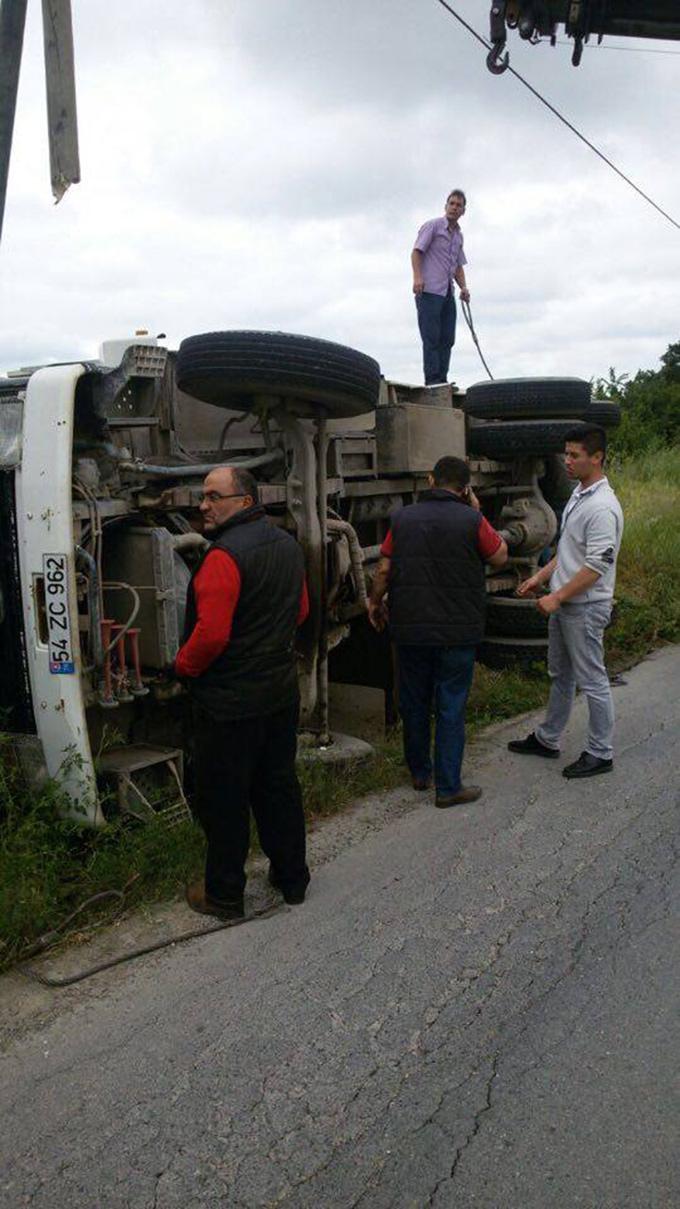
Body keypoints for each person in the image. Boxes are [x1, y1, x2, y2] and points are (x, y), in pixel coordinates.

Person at [174, 465, 311, 919]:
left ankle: (225, 896)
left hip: (230, 704)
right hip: (279, 693)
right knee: (278, 787)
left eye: (214, 497)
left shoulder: (223, 557)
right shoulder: (288, 546)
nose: (203, 505)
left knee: (225, 799)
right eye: (203, 497)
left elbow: (211, 635)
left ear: (245, 503)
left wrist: (182, 667)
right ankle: (292, 879)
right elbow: (302, 609)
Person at [368, 456, 507, 808]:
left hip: (410, 628)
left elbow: (384, 569)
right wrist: (477, 510)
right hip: (458, 631)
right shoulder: (472, 519)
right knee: (450, 705)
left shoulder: (401, 519)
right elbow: (500, 557)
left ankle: (420, 772)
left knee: (413, 701)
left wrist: (375, 602)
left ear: (431, 480)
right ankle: (448, 787)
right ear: (465, 488)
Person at [508, 425, 624, 778]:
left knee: (592, 680)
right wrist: (539, 578)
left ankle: (601, 753)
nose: (567, 461)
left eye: (574, 455)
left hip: (585, 606)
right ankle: (548, 739)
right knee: (561, 674)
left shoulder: (603, 507)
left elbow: (596, 566)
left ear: (597, 457)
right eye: (566, 454)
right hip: (567, 603)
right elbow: (569, 551)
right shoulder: (579, 494)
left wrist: (557, 597)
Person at [411, 189, 470, 386]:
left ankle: (442, 380)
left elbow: (458, 265)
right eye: (451, 203)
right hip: (428, 291)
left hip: (447, 293)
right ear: (445, 206)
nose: (454, 207)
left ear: (463, 211)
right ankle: (433, 381)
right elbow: (416, 252)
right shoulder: (433, 227)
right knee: (431, 338)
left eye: (458, 205)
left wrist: (464, 287)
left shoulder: (458, 236)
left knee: (448, 338)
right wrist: (418, 277)